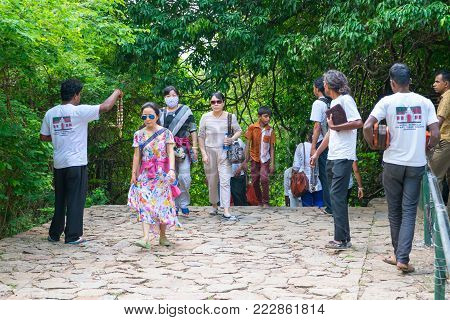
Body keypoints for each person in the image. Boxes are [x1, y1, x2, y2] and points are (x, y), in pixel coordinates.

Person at [363, 63, 440, 273]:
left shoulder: (387, 102)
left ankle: (399, 255)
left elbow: (367, 126)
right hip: (416, 165)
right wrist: (427, 148)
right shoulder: (424, 102)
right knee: (409, 211)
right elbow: (435, 133)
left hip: (392, 163)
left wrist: (374, 144)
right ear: (410, 82)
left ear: (392, 83)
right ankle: (402, 258)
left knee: (394, 211)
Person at [40, 79, 123, 244]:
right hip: (76, 163)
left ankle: (54, 234)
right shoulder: (79, 112)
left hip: (59, 163)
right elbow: (106, 106)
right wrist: (117, 92)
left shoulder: (50, 113)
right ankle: (73, 236)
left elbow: (43, 137)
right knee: (75, 199)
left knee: (60, 198)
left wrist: (59, 135)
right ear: (76, 95)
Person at [310, 70, 363, 250]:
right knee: (335, 196)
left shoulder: (346, 100)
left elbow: (358, 122)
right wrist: (317, 152)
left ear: (328, 85)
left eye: (325, 82)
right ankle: (344, 237)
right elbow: (331, 133)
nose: (323, 85)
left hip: (344, 155)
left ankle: (340, 239)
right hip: (333, 154)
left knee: (337, 197)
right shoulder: (334, 102)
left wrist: (336, 126)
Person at [127, 102, 177, 249]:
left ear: (157, 116)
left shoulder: (166, 132)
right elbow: (137, 156)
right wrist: (133, 173)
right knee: (145, 204)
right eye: (144, 116)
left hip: (161, 174)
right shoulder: (139, 135)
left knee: (162, 204)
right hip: (145, 174)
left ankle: (162, 236)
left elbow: (170, 152)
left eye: (150, 116)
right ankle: (145, 237)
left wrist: (172, 170)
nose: (147, 119)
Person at [198, 92, 242, 220]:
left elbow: (239, 130)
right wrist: (203, 153)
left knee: (225, 181)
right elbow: (201, 136)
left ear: (223, 102)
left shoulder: (230, 117)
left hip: (225, 152)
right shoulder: (205, 117)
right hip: (209, 151)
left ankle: (226, 209)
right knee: (212, 182)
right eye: (213, 102)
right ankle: (214, 205)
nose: (216, 104)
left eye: (218, 102)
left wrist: (232, 138)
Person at [159, 86, 198, 222]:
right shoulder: (160, 113)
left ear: (178, 96)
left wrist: (196, 147)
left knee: (185, 177)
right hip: (166, 149)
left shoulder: (185, 110)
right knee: (171, 177)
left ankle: (184, 202)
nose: (171, 98)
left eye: (174, 95)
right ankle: (174, 205)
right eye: (168, 96)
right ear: (164, 98)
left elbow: (193, 129)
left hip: (183, 148)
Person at [242, 106, 276, 208]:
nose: (268, 119)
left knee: (264, 178)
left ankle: (266, 201)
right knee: (255, 180)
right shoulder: (252, 127)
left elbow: (272, 148)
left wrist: (272, 164)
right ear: (259, 116)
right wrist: (245, 160)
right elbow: (248, 144)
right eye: (265, 116)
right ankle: (259, 201)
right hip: (254, 158)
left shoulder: (270, 130)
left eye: (269, 117)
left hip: (265, 159)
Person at [310, 77, 333, 214]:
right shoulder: (331, 101)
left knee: (324, 175)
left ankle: (329, 206)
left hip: (322, 142)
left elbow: (317, 126)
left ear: (317, 89)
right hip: (333, 141)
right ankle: (332, 205)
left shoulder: (318, 104)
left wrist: (313, 147)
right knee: (330, 174)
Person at [429, 70, 449, 211]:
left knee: (433, 179)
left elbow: (438, 122)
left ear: (446, 84)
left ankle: (433, 216)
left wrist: (430, 142)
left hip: (445, 142)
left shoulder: (447, 97)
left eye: (437, 81)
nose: (434, 84)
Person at [293, 132, 323, 207]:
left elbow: (296, 166)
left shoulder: (301, 146)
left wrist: (293, 180)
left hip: (304, 181)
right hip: (318, 181)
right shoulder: (320, 147)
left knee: (307, 206)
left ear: (307, 136)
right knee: (319, 205)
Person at [230, 138, 248, 206]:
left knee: (240, 199)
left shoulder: (239, 141)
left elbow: (245, 158)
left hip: (238, 174)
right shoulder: (221, 139)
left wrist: (240, 168)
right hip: (225, 174)